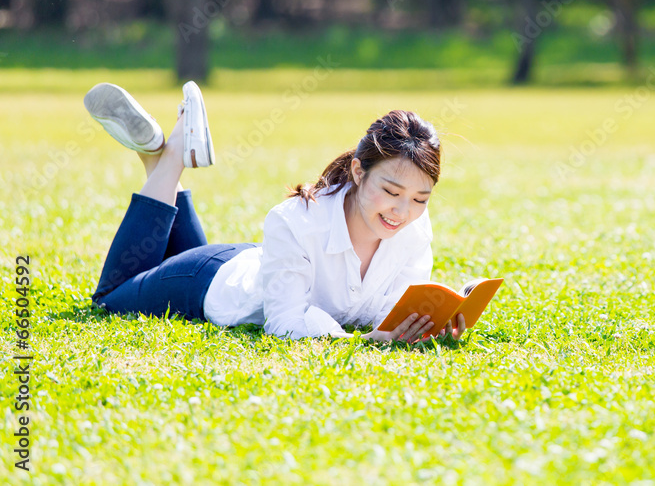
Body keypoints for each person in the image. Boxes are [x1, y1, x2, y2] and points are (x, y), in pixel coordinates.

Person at [85, 81, 465, 344]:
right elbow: (282, 325)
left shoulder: (414, 228)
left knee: (157, 250)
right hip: (203, 282)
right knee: (110, 298)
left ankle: (154, 154)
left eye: (420, 199)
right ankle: (170, 157)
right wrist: (364, 342)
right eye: (391, 191)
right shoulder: (297, 221)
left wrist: (432, 319)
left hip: (258, 265)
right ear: (358, 171)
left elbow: (394, 306)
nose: (403, 211)